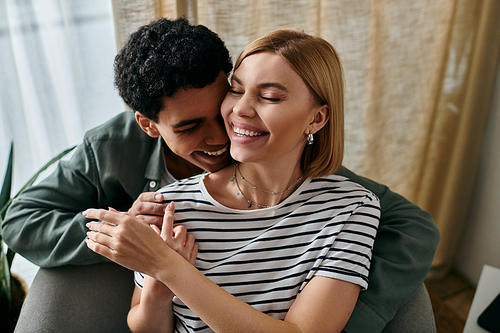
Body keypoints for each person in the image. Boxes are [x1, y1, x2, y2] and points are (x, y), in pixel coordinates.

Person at [1, 18, 439, 333]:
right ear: (149, 125)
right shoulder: (115, 153)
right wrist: (121, 235)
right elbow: (21, 218)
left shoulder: (288, 161)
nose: (223, 133)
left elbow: (411, 225)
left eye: (221, 105)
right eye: (190, 127)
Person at [85, 28, 381, 332]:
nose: (239, 109)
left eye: (269, 97)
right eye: (236, 90)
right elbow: (146, 327)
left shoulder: (351, 209)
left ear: (316, 119)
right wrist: (158, 293)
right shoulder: (169, 206)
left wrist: (169, 268)